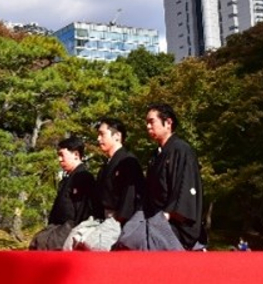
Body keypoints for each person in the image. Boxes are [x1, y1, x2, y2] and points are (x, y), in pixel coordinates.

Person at [65, 118, 145, 251]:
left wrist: (120, 220)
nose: (98, 138)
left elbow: (131, 197)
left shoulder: (128, 162)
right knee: (73, 238)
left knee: (95, 244)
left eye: (102, 134)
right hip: (103, 219)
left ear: (117, 136)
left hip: (121, 220)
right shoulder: (105, 167)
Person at [137, 103, 206, 250]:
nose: (148, 127)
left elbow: (184, 188)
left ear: (168, 123)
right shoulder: (155, 156)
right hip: (154, 219)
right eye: (147, 123)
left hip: (173, 223)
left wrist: (166, 216)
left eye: (151, 122)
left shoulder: (181, 149)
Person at [29, 136, 96, 250]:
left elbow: (82, 214)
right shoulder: (68, 179)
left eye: (62, 155)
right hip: (58, 228)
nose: (59, 159)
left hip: (70, 230)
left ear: (76, 154)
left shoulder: (84, 177)